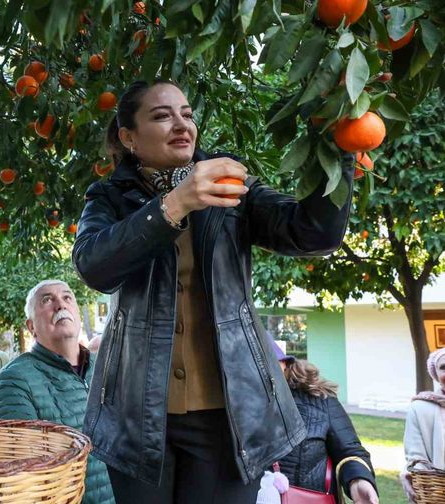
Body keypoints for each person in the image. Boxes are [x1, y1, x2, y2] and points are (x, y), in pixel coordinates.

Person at [72, 80, 354, 503]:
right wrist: (175, 204)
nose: (181, 124)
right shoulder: (110, 196)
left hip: (230, 416)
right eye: (162, 115)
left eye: (187, 113)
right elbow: (95, 267)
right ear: (128, 137)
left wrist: (341, 152)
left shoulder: (230, 184)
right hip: (138, 418)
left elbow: (312, 233)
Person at [0, 280, 114, 504]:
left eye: (67, 298)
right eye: (47, 300)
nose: (60, 304)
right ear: (31, 327)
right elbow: (24, 473)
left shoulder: (105, 367)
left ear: (77, 314)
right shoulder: (14, 380)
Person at [271, 343, 379, 503]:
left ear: (284, 363)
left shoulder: (320, 400)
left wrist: (358, 480)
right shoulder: (232, 410)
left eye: (270, 362)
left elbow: (350, 451)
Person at [401, 348, 445, 503]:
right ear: (436, 375)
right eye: (443, 367)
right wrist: (412, 472)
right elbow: (416, 455)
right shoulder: (420, 408)